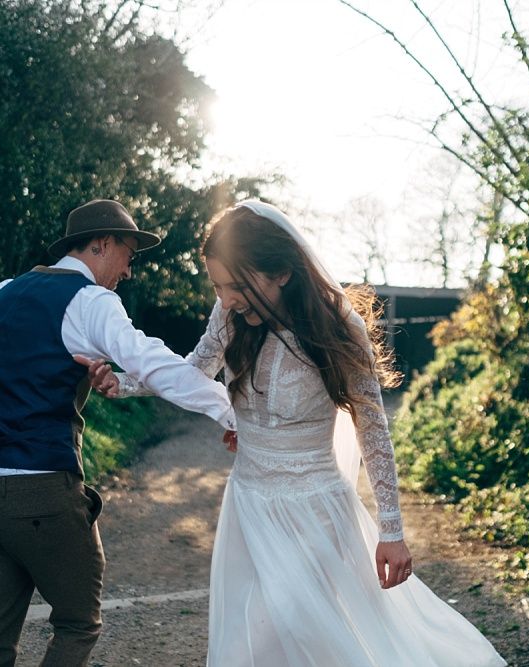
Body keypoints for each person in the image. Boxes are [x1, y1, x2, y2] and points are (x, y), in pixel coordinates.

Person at [91, 200, 507, 666]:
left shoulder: (339, 327)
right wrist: (123, 383)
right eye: (217, 286)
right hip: (248, 503)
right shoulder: (229, 315)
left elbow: (371, 425)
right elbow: (195, 369)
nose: (225, 298)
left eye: (235, 285)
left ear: (282, 272)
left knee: (300, 627)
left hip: (315, 511)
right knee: (254, 638)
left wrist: (391, 530)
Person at [0, 199, 236, 667]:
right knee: (77, 622)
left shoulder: (5, 290)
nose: (128, 270)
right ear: (102, 244)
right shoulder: (90, 302)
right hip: (44, 489)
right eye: (128, 253)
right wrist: (232, 413)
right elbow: (156, 363)